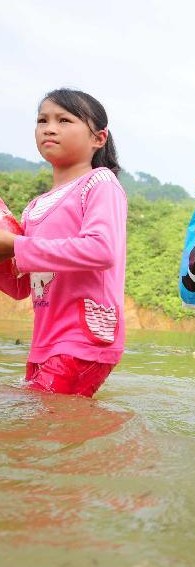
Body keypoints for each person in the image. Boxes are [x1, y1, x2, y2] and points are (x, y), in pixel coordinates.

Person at [0, 88, 127, 397]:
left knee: (46, 425)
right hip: (44, 341)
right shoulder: (34, 207)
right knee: (43, 425)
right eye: (42, 120)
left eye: (64, 119)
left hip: (84, 336)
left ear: (98, 138)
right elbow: (20, 286)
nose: (50, 127)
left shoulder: (100, 183)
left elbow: (101, 250)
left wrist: (15, 245)